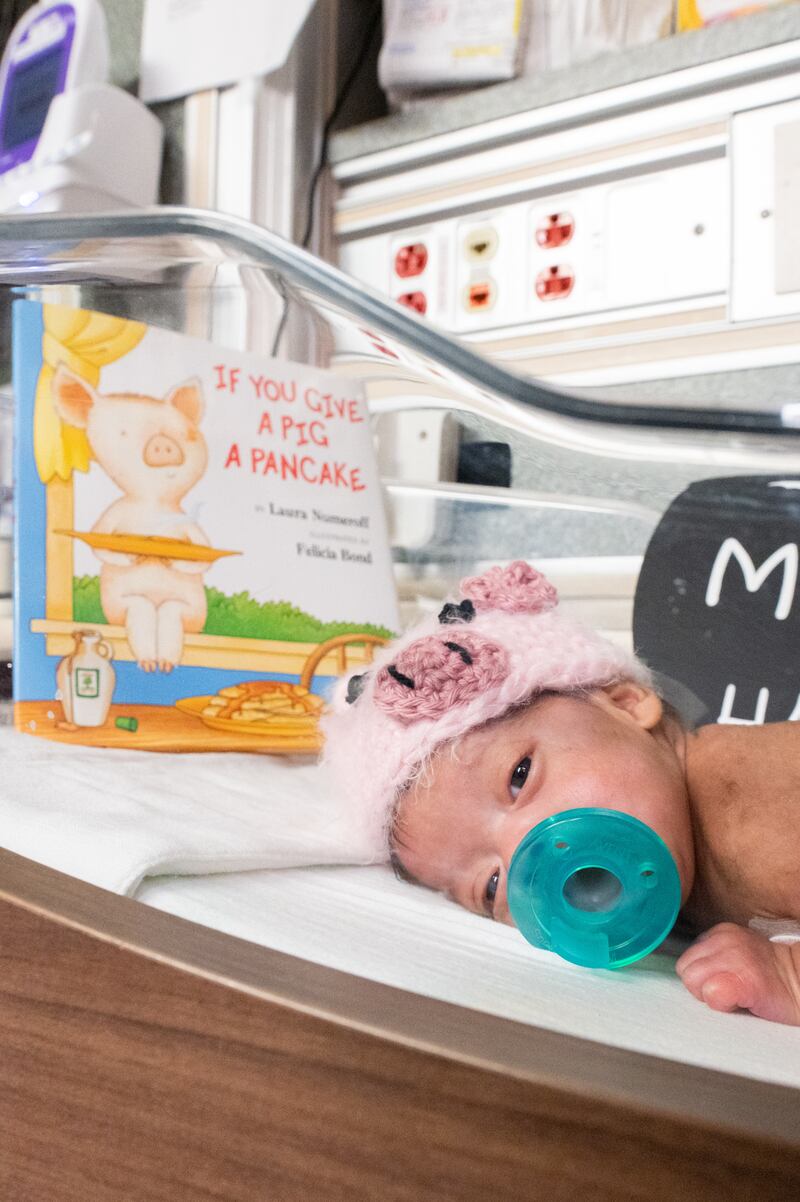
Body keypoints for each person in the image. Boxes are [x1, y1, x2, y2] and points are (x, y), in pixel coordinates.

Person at [322, 560, 800, 1026]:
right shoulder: (675, 875)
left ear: (626, 705)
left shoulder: (752, 799)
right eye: (491, 886)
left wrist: (789, 975)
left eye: (520, 775)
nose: (523, 851)